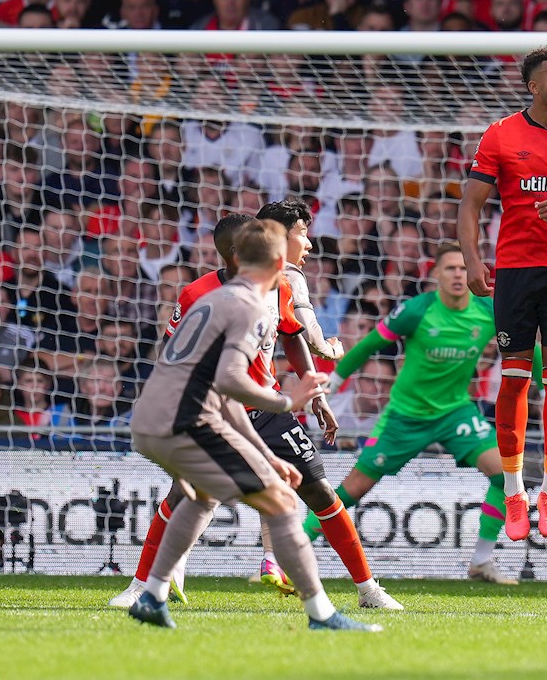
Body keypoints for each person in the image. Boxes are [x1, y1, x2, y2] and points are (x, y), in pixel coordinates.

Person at [110, 213, 400, 612]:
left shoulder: (277, 287)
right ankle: (142, 585)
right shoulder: (198, 294)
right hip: (215, 412)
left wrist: (313, 390)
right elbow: (171, 352)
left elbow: (293, 335)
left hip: (266, 409)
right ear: (235, 253)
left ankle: (368, 589)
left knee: (318, 491)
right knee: (185, 494)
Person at [301, 242, 519, 585]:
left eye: (464, 268)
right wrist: (336, 378)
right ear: (436, 275)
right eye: (450, 268)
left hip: (455, 413)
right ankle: (287, 556)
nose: (459, 275)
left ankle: (481, 561)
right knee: (353, 490)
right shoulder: (417, 310)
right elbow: (371, 344)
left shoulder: (488, 311)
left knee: (506, 476)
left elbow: (524, 350)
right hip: (406, 416)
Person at [458, 46, 547, 542]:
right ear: (533, 86)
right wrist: (474, 260)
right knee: (514, 378)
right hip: (514, 271)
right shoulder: (501, 134)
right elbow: (471, 205)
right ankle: (515, 493)